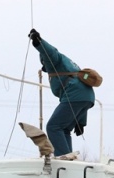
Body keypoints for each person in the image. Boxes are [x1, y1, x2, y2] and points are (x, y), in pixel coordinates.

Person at [28, 28, 95, 158]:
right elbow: (81, 90)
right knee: (64, 129)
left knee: (53, 126)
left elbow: (50, 52)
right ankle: (68, 156)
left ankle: (63, 158)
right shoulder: (70, 65)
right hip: (86, 98)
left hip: (75, 96)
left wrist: (38, 42)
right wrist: (81, 122)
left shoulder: (54, 60)